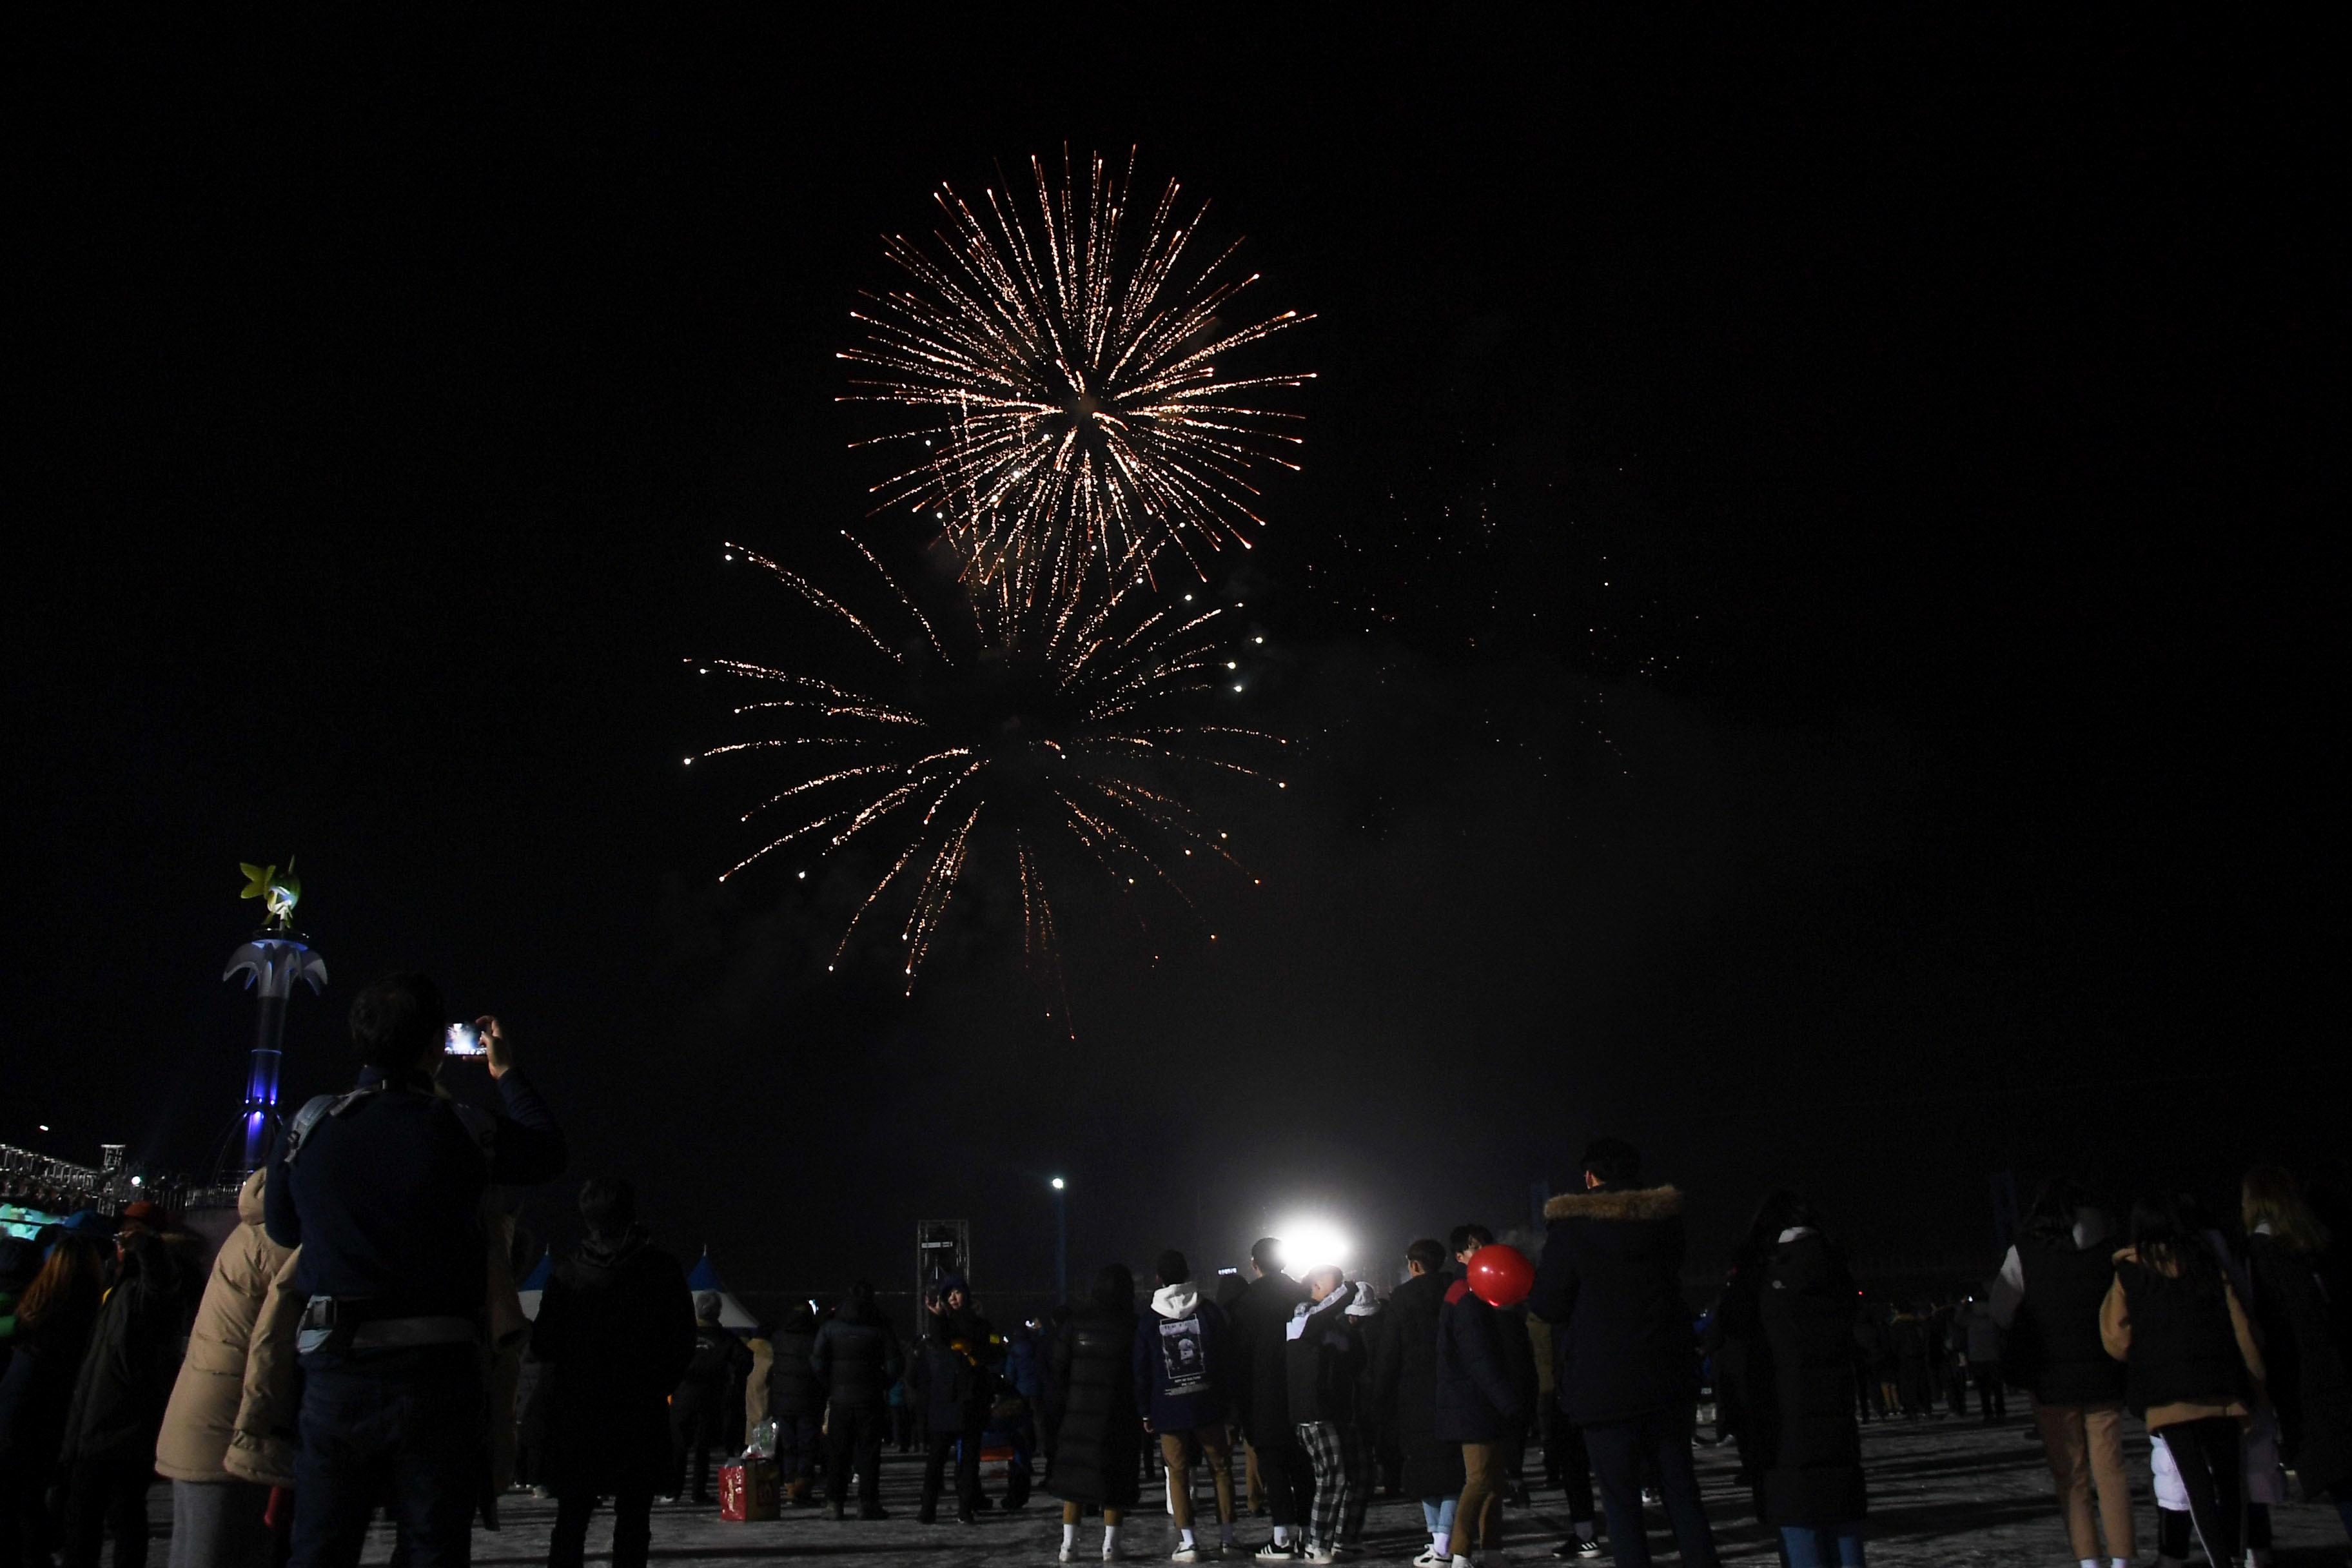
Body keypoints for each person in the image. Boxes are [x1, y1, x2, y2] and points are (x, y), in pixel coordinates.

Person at [264, 972, 565, 1568]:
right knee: (433, 1546)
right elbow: (547, 1150)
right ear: (435, 1047)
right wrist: (505, 1071)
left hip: (337, 1371)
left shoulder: (310, 1125)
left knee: (321, 1547)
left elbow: (283, 1228)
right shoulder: (462, 1129)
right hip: (439, 1377)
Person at [1530, 1138, 1720, 1568]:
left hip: (1604, 1383)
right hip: (1667, 1374)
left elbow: (1547, 1304)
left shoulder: (1573, 1228)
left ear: (1590, 1177)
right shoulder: (1665, 1223)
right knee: (1682, 1490)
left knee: (1620, 1502)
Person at [529, 1178, 694, 1568]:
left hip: (579, 1412)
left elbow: (543, 1346)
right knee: (634, 1519)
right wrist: (655, 1385)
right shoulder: (660, 1270)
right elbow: (682, 1342)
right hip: (638, 1411)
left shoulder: (567, 1274)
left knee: (571, 1519)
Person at [2102, 1193, 2266, 1568]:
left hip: (2167, 1396)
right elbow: (2240, 1324)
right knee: (2229, 1481)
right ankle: (2238, 1557)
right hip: (2219, 1386)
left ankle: (2220, 1561)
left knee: (2197, 1489)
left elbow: (2115, 1337)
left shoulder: (2129, 1271)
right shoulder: (2206, 1260)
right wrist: (2256, 1379)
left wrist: (2149, 1355)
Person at [154, 1170, 297, 1568]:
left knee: (193, 1550)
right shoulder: (287, 1241)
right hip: (233, 1429)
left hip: (202, 1419)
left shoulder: (255, 1229)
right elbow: (275, 1345)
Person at [1989, 1178, 2134, 1568]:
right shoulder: (2108, 1246)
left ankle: (2089, 1559)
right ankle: (2123, 1557)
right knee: (2112, 1469)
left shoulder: (2026, 1252)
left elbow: (2000, 1309)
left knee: (2070, 1474)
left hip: (2050, 1376)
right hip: (2105, 1371)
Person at [61, 1217, 200, 1568]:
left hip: (122, 1429)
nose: (120, 1248)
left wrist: (149, 1247)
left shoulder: (150, 1294)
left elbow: (162, 1284)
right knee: (91, 1521)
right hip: (98, 1425)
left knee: (117, 1520)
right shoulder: (119, 1290)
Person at [1749, 1200, 1868, 1568]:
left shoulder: (1766, 1281)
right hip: (1836, 1411)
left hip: (1784, 1415)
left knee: (1798, 1516)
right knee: (1842, 1515)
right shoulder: (1837, 1272)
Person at [2240, 1167, 2352, 1539]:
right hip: (2333, 1379)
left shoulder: (2264, 1255)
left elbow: (2279, 1331)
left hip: (2310, 1389)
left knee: (2340, 1475)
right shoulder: (2319, 1245)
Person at [0, 1233, 109, 1568]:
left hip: (21, 1408)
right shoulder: (94, 1306)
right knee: (30, 1498)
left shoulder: (40, 1301)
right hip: (58, 1412)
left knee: (14, 1500)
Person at [1135, 1250, 1239, 1562]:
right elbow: (1225, 1357)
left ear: (1158, 1279)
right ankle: (1228, 1537)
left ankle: (1189, 1541)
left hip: (1168, 1408)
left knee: (1177, 1474)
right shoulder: (1207, 1311)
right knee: (1221, 1470)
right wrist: (1228, 1400)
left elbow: (1141, 1368)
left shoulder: (1150, 1318)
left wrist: (1145, 1410)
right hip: (1208, 1403)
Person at [1374, 1239, 1470, 1567]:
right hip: (1457, 1391)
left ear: (1414, 1265)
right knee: (1455, 1469)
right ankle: (1446, 1539)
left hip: (1415, 1395)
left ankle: (1438, 1542)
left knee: (1424, 1469)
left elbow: (1390, 1352)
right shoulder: (1458, 1290)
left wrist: (1380, 1394)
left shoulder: (1403, 1298)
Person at [1436, 1224, 1523, 1568]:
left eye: (1486, 1244)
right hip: (1472, 1403)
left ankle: (1492, 1550)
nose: (1483, 1251)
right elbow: (1478, 1358)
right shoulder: (1465, 1296)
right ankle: (1459, 1552)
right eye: (1474, 1248)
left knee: (1493, 1480)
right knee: (1480, 1480)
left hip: (1481, 1402)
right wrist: (1508, 1401)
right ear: (1460, 1257)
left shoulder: (1482, 1292)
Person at [1048, 1264, 1143, 1563]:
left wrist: (1066, 1403)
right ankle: (1112, 1545)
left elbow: (1057, 1369)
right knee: (1115, 1481)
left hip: (1079, 1412)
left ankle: (1069, 1546)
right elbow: (1139, 1372)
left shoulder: (1075, 1324)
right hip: (1118, 1414)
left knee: (1074, 1483)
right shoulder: (1132, 1325)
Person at [1229, 1239, 1313, 1558]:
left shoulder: (1246, 1302)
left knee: (1273, 1465)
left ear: (1255, 1264)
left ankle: (1281, 1537)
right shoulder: (1301, 1293)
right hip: (1302, 1390)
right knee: (1304, 1465)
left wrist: (1238, 1406)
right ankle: (1308, 1532)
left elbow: (1239, 1357)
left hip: (1263, 1394)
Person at [1284, 1266, 1370, 1563]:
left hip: (1339, 1411)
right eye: (1333, 1286)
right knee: (1332, 1475)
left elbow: (1356, 1363)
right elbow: (1321, 1315)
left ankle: (1346, 1539)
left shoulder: (1337, 1325)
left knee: (1360, 1474)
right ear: (1316, 1286)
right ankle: (1316, 1543)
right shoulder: (1300, 1316)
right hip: (1312, 1411)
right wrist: (1347, 1288)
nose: (1340, 1294)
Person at [812, 1279, 904, 1520]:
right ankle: (868, 1502)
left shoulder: (830, 1327)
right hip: (870, 1400)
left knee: (837, 1453)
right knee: (869, 1453)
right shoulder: (881, 1326)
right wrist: (881, 1383)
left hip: (841, 1400)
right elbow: (895, 1364)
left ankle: (835, 1503)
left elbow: (817, 1362)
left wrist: (831, 1384)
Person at [912, 1274, 998, 1524]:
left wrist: (975, 1351)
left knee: (969, 1461)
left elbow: (995, 1348)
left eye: (957, 1293)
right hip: (945, 1401)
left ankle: (966, 1508)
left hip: (971, 1401)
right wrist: (936, 1316)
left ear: (966, 1295)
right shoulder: (940, 1326)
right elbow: (939, 1338)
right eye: (948, 1294)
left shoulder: (982, 1325)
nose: (953, 1298)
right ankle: (927, 1509)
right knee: (936, 1459)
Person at [758, 1300, 823, 1507]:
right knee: (806, 1446)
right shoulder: (814, 1339)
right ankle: (802, 1489)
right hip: (807, 1400)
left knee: (788, 1446)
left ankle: (789, 1485)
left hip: (782, 1402)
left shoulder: (778, 1338)